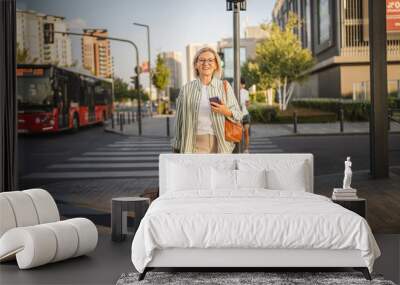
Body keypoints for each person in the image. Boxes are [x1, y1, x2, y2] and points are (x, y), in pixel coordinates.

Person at [172, 47, 242, 153]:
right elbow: (179, 120)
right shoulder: (186, 89)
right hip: (192, 145)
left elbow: (239, 115)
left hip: (220, 145)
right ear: (196, 65)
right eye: (202, 60)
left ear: (216, 65)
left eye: (210, 60)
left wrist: (226, 111)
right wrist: (176, 146)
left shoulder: (224, 86)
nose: (206, 63)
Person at [240, 78, 251, 153]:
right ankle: (238, 149)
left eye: (243, 84)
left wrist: (248, 103)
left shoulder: (246, 92)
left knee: (246, 133)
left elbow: (248, 104)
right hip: (237, 116)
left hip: (245, 115)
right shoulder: (234, 91)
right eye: (241, 83)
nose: (242, 85)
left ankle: (246, 149)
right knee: (238, 133)